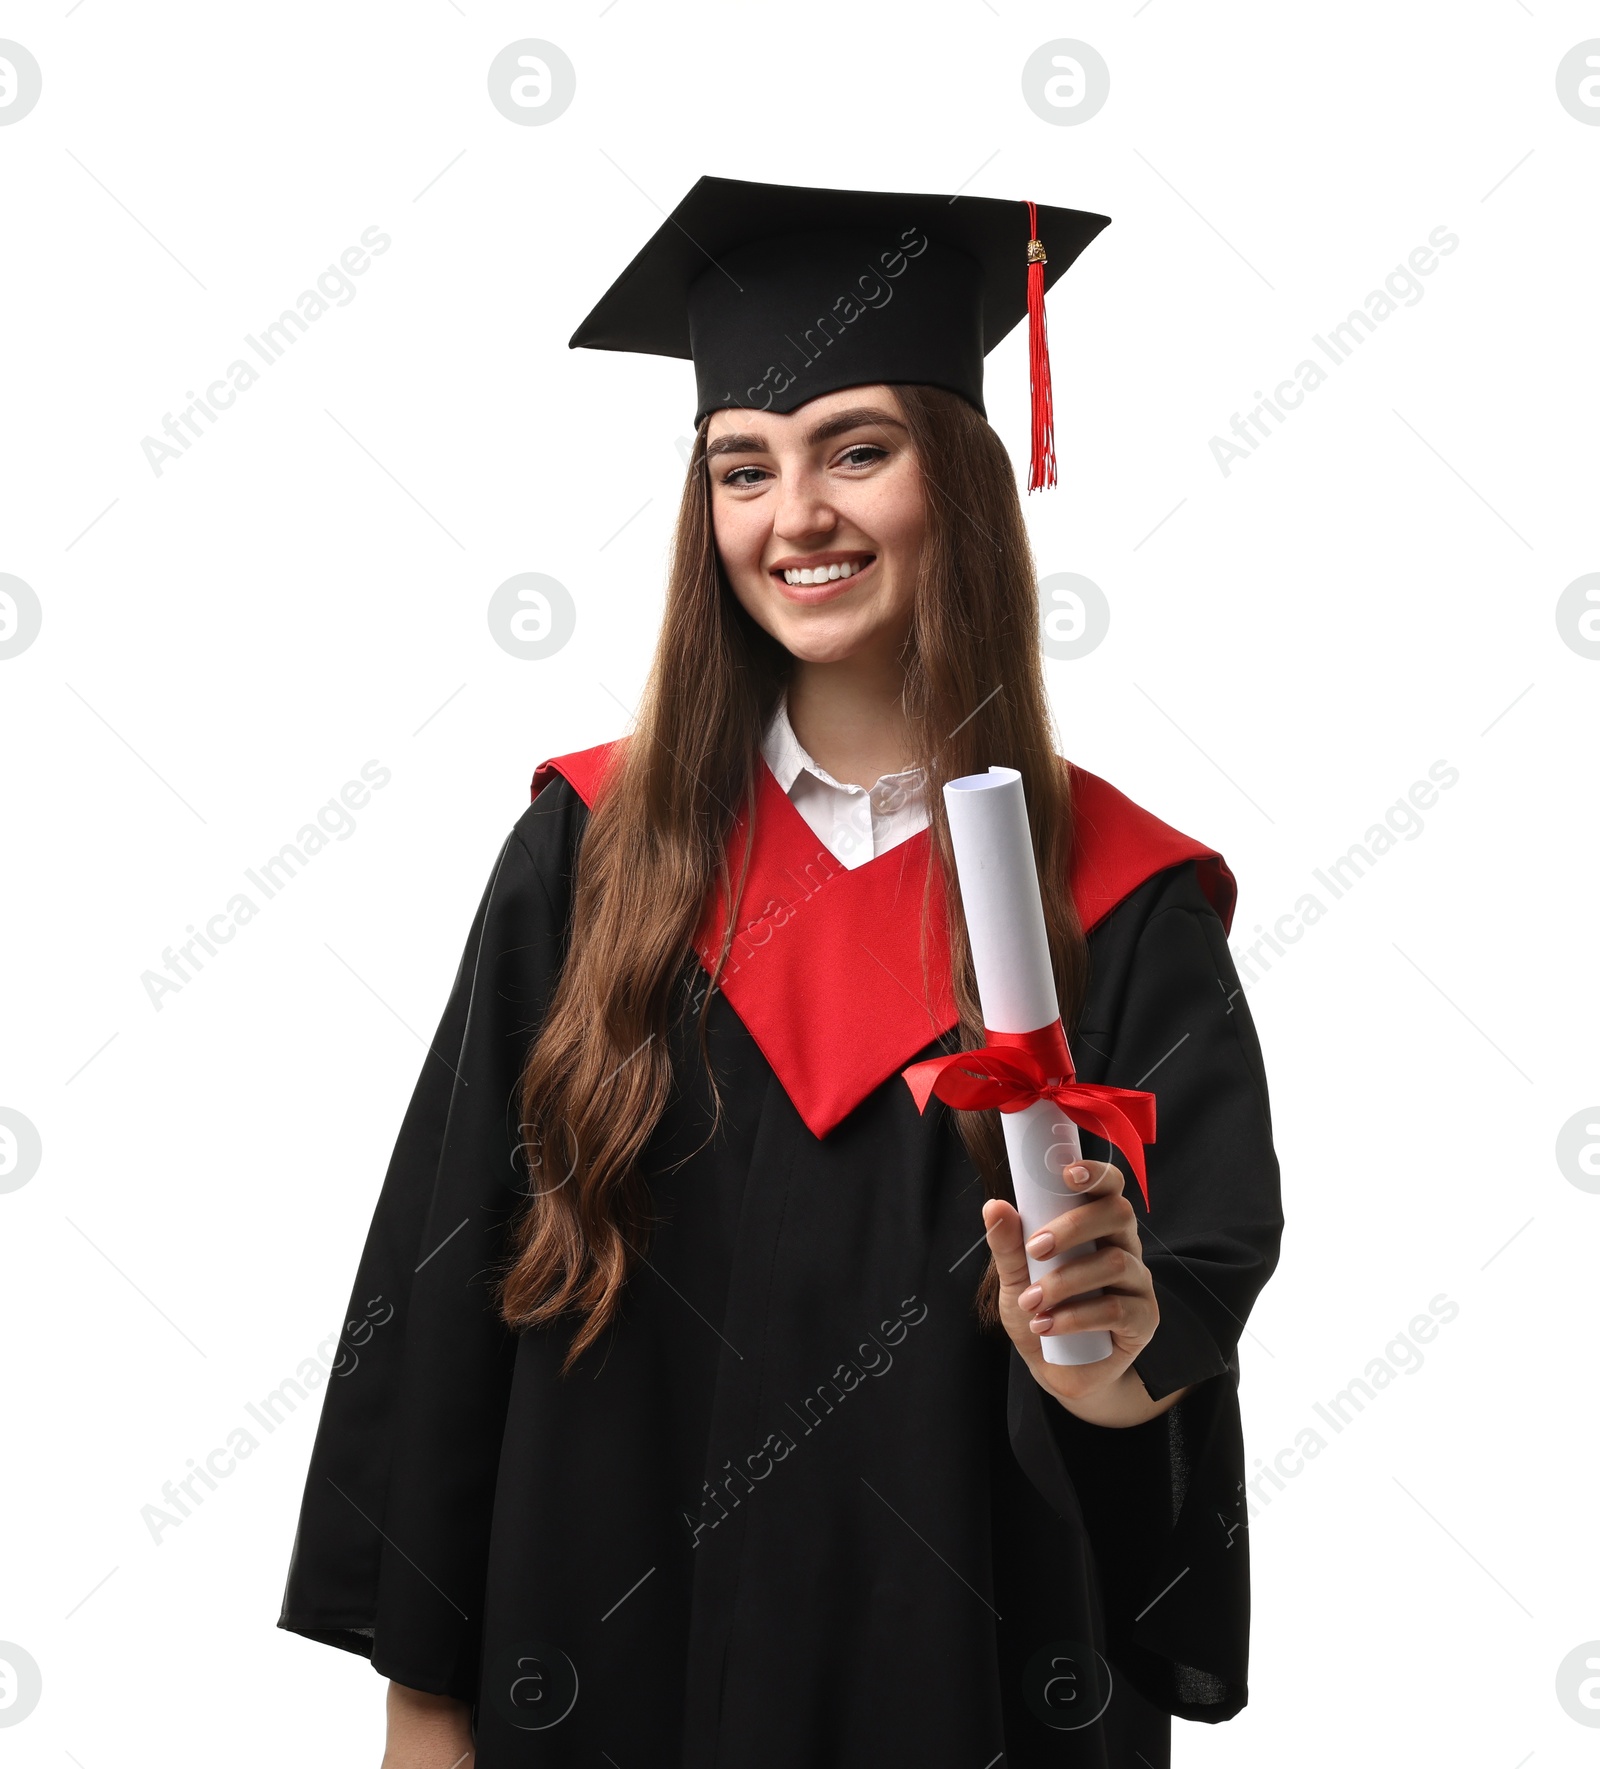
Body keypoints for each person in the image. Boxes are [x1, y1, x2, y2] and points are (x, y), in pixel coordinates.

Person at [278, 176, 1284, 1768]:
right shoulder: (590, 857)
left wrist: (1106, 1360)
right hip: (602, 1672)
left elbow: (1184, 1323)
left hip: (975, 1686)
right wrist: (424, 1703)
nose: (793, 514)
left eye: (858, 449)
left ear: (957, 477)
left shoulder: (1125, 903)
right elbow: (441, 1276)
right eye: (743, 466)